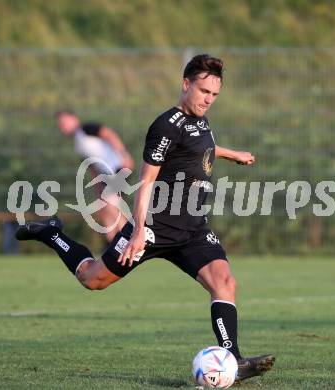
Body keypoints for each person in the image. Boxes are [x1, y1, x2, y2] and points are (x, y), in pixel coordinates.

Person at [17, 54, 275, 382]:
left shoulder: (200, 120)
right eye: (203, 91)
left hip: (192, 228)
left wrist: (230, 153)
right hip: (154, 228)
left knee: (225, 282)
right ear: (186, 84)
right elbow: (146, 181)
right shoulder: (164, 126)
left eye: (214, 94)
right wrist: (139, 230)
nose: (208, 99)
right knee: (92, 279)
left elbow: (200, 147)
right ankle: (52, 233)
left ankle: (233, 361)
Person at [56, 110, 134, 241]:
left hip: (117, 167)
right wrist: (98, 192)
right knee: (106, 211)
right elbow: (93, 169)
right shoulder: (78, 145)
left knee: (111, 206)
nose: (63, 126)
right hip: (106, 175)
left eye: (64, 122)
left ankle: (126, 241)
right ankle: (114, 245)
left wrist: (124, 154)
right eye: (60, 125)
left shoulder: (86, 129)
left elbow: (109, 134)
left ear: (74, 119)